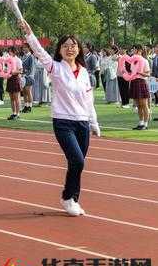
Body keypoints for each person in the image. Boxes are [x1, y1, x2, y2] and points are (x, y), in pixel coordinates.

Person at [18, 20, 99, 216]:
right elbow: (39, 51)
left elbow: (89, 100)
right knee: (78, 161)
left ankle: (72, 198)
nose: (70, 49)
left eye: (73, 45)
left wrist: (94, 122)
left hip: (82, 122)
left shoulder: (84, 73)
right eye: (65, 46)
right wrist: (29, 33)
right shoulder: (55, 67)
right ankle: (67, 196)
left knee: (77, 165)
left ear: (79, 49)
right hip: (63, 122)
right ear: (60, 50)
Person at [125, 45, 151, 130]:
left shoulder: (144, 61)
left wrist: (140, 72)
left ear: (139, 50)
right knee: (138, 105)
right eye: (133, 49)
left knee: (144, 104)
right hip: (134, 82)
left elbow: (148, 74)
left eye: (135, 49)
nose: (133, 50)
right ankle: (141, 122)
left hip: (141, 81)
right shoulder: (133, 61)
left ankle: (146, 124)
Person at [21, 43, 35, 113]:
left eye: (25, 47)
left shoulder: (31, 56)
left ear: (29, 48)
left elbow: (31, 68)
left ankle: (30, 106)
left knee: (28, 91)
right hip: (23, 76)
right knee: (24, 92)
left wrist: (26, 74)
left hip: (29, 76)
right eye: (23, 47)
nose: (24, 49)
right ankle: (26, 105)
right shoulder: (23, 56)